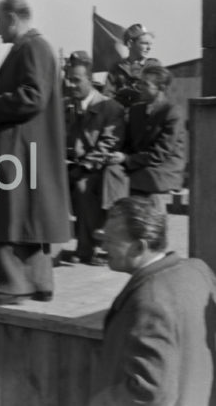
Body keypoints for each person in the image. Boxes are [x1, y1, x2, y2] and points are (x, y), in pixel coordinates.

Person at [0, 0, 71, 305]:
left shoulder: (31, 47)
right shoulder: (34, 48)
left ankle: (13, 283)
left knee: (7, 215)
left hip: (18, 148)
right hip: (27, 146)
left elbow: (32, 97)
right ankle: (39, 281)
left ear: (13, 19)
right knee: (30, 217)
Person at [91, 196, 216, 405]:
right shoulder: (197, 270)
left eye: (110, 241)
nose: (103, 246)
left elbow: (150, 393)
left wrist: (100, 401)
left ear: (139, 247)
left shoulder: (149, 302)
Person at [64, 51, 125, 265]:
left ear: (90, 80)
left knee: (82, 187)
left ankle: (86, 248)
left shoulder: (110, 108)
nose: (71, 85)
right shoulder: (67, 107)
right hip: (72, 166)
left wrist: (84, 166)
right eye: (68, 79)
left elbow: (109, 143)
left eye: (76, 80)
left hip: (100, 170)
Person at [107, 65, 185, 211]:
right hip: (140, 165)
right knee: (110, 171)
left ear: (161, 88)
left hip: (164, 170)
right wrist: (119, 156)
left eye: (145, 84)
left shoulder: (172, 112)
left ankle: (120, 218)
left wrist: (126, 159)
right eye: (139, 83)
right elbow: (128, 143)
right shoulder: (136, 110)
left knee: (125, 181)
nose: (139, 87)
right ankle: (114, 217)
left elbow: (159, 154)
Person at [103, 23, 161, 108]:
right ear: (130, 43)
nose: (149, 48)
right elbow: (107, 95)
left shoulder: (154, 67)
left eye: (150, 44)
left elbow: (159, 95)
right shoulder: (117, 68)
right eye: (144, 43)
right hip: (121, 115)